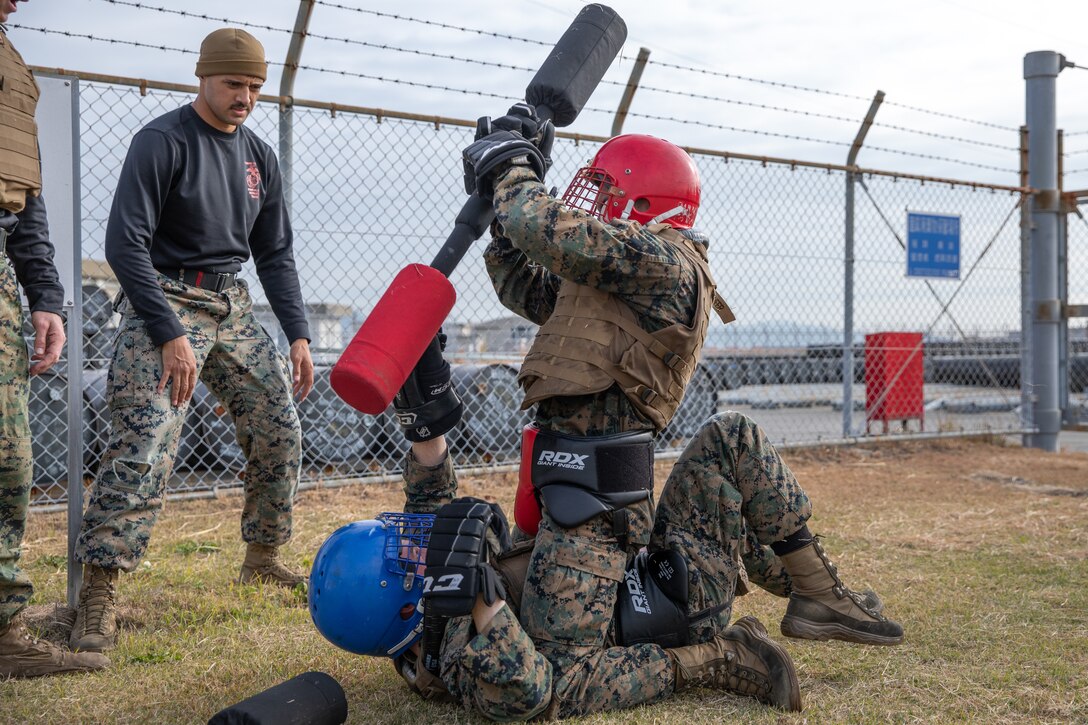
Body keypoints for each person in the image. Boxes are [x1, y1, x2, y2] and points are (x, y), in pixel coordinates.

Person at [69, 28, 314, 654]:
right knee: (146, 440)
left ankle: (261, 557)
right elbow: (123, 246)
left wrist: (299, 335)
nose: (247, 97)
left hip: (230, 303)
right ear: (202, 78)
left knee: (279, 425)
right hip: (165, 297)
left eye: (256, 86)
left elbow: (275, 253)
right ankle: (99, 595)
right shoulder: (162, 141)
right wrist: (168, 331)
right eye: (234, 83)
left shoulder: (260, 154)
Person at [0, 0, 110, 677]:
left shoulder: (12, 63)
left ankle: (3, 631)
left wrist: (45, 296)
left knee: (8, 462)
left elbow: (23, 192)